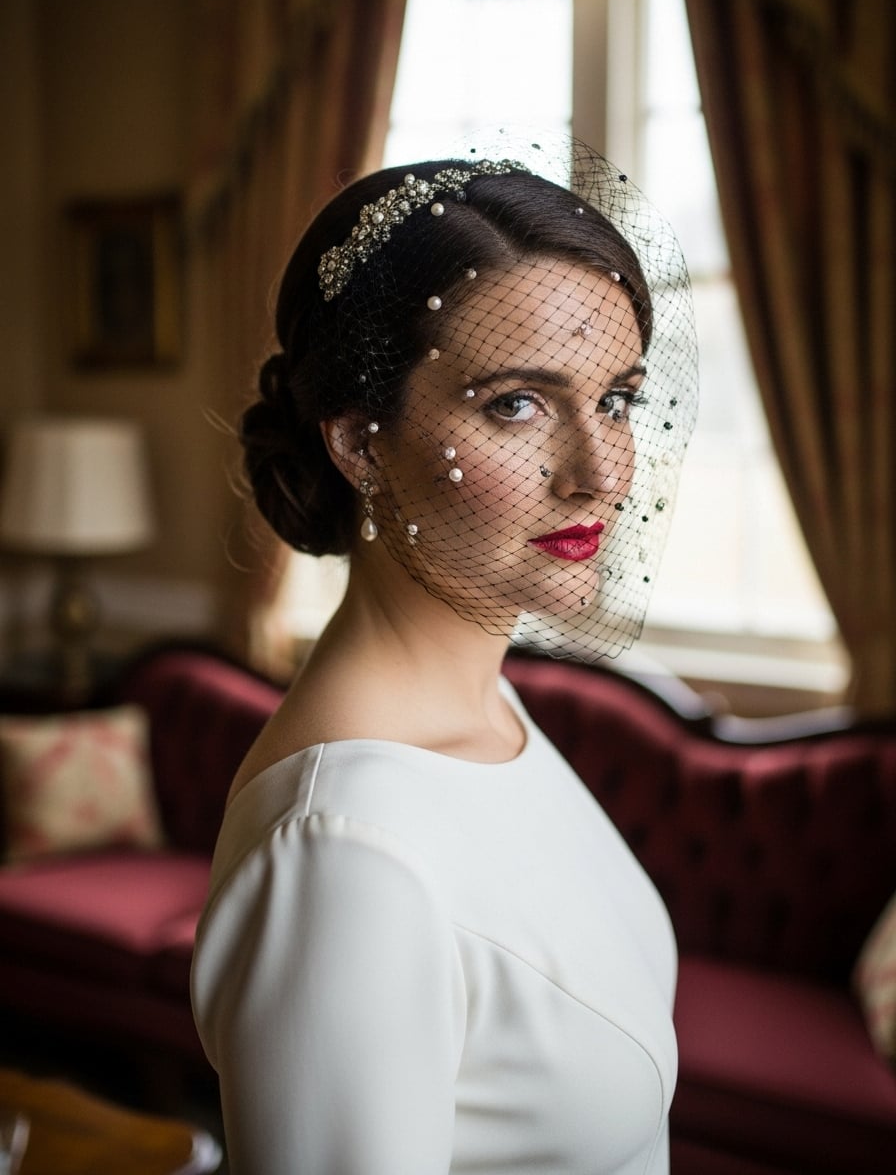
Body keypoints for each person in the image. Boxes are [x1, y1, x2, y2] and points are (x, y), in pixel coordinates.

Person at [191, 140, 698, 1174]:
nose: (600, 471)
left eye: (615, 398)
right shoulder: (344, 848)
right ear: (359, 441)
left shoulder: (490, 713)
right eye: (515, 402)